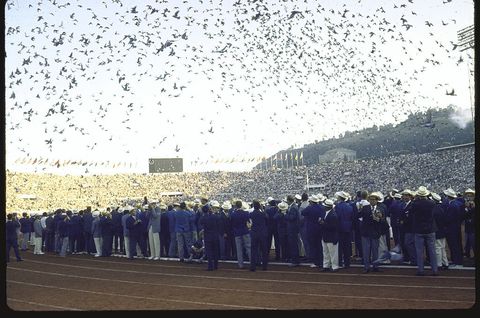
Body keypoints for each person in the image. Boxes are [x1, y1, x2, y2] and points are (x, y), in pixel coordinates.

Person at [411, 186, 438, 276]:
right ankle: (435, 269)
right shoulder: (432, 203)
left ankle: (421, 270)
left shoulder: (415, 204)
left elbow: (411, 213)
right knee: (432, 250)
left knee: (419, 251)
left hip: (419, 229)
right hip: (430, 229)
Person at [359, 192, 384, 273]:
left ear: (377, 201)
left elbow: (383, 221)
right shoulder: (365, 208)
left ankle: (375, 266)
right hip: (366, 232)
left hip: (375, 232)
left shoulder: (381, 208)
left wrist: (379, 218)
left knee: (375, 251)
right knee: (366, 251)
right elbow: (359, 216)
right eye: (370, 199)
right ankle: (366, 267)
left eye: (374, 200)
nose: (372, 201)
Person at [301, 195, 325, 268]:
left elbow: (303, 213)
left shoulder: (309, 208)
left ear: (311, 201)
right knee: (320, 246)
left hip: (311, 229)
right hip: (320, 228)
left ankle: (316, 262)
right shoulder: (322, 207)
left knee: (313, 246)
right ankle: (322, 261)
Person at [443, 188, 463, 268]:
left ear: (448, 196)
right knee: (456, 244)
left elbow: (449, 218)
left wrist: (443, 221)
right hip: (456, 226)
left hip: (451, 228)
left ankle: (457, 262)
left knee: (454, 245)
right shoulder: (457, 204)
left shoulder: (452, 205)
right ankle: (456, 260)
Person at [319, 199, 340, 272]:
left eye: (325, 206)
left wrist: (323, 223)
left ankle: (335, 266)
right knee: (326, 252)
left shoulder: (333, 215)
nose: (323, 207)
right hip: (325, 236)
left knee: (333, 253)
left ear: (328, 207)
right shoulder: (326, 213)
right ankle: (326, 266)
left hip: (331, 236)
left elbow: (333, 227)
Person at [230, 200, 251, 269]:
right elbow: (248, 222)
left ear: (236, 206)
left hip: (237, 232)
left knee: (239, 249)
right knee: (248, 247)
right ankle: (252, 262)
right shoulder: (246, 213)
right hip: (245, 231)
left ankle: (240, 264)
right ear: (241, 205)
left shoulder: (233, 214)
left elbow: (232, 223)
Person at [249, 200, 269, 271]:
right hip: (263, 233)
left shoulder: (251, 214)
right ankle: (264, 266)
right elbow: (267, 220)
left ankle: (253, 267)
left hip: (254, 233)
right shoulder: (263, 214)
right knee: (264, 250)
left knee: (253, 250)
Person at [335, 191, 353, 268]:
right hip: (348, 228)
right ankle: (347, 263)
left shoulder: (337, 206)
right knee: (347, 246)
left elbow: (337, 217)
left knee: (340, 247)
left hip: (340, 228)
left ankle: (340, 262)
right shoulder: (350, 206)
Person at [199, 204, 220, 271]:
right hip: (215, 236)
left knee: (209, 252)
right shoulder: (215, 216)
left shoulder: (203, 218)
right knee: (216, 251)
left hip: (207, 236)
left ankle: (210, 266)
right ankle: (216, 265)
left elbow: (201, 223)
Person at [431, 193, 449, 270]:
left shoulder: (435, 210)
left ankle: (439, 264)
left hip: (437, 230)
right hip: (443, 230)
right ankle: (445, 263)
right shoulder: (442, 208)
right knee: (442, 247)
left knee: (437, 248)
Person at [399, 189, 415, 265]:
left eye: (407, 195)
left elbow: (411, 217)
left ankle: (413, 259)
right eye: (404, 195)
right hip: (403, 228)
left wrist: (404, 221)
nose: (405, 197)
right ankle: (407, 258)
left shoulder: (412, 205)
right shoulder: (402, 204)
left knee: (409, 244)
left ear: (410, 196)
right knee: (404, 243)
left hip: (410, 228)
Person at [285, 195, 301, 267]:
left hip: (293, 229)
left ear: (289, 200)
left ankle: (295, 261)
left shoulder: (293, 207)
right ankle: (295, 260)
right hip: (293, 228)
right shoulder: (293, 206)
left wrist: (285, 214)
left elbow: (292, 218)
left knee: (293, 245)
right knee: (294, 244)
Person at [463, 188, 475, 259]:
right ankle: (467, 254)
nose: (469, 197)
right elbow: (464, 215)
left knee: (473, 242)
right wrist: (466, 208)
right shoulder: (466, 205)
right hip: (468, 227)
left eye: (470, 196)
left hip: (473, 227)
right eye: (468, 196)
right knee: (467, 241)